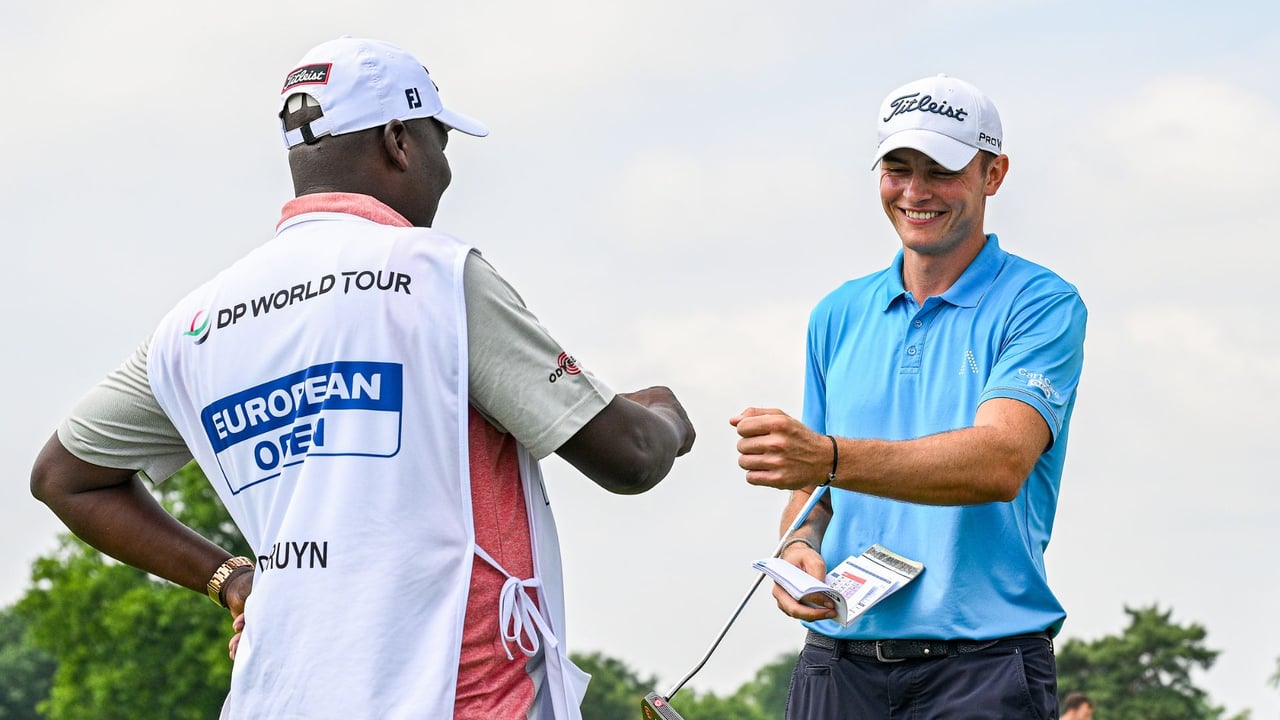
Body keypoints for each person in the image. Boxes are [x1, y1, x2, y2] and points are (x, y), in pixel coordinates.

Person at [30, 36, 695, 720]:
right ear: (400, 141)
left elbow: (65, 477)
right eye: (443, 144)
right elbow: (630, 458)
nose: (445, 171)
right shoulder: (430, 274)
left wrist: (231, 581)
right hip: (455, 696)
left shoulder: (197, 322)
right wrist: (665, 413)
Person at [731, 74, 1086, 718]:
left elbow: (999, 461)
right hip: (837, 664)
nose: (916, 192)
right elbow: (815, 496)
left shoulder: (1041, 304)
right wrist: (798, 546)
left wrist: (828, 459)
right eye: (898, 169)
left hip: (983, 668)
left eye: (942, 171)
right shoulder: (837, 313)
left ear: (993, 174)